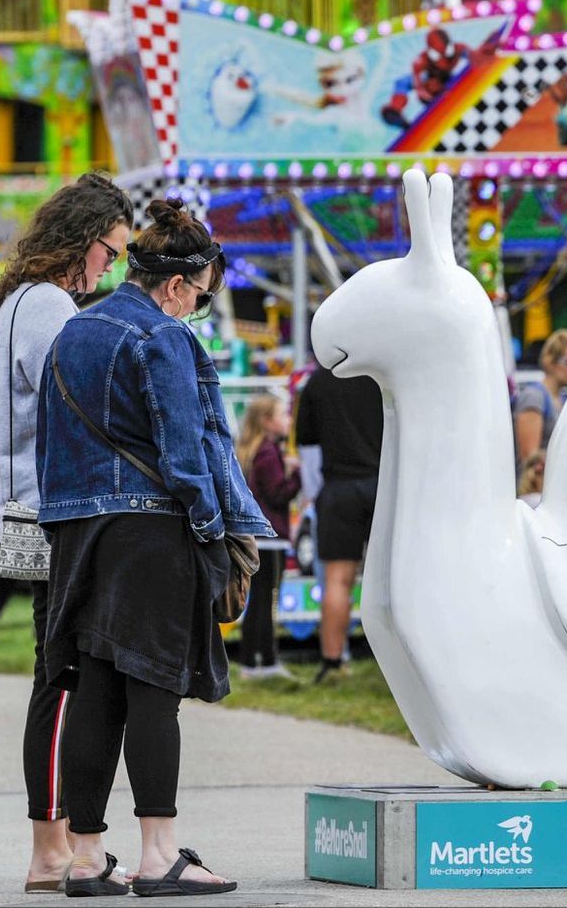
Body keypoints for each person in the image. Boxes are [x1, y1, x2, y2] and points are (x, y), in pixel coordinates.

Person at [39, 198, 268, 896]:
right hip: (149, 532)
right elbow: (184, 450)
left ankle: (84, 858)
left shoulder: (72, 332)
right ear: (176, 284)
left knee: (93, 689)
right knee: (153, 692)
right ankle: (160, 853)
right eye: (198, 297)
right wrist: (210, 526)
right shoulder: (162, 337)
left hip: (77, 532)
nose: (194, 309)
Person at [0, 170, 131, 892]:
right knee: (63, 677)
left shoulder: (20, 299)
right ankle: (53, 845)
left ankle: (63, 839)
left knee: (61, 672)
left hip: (28, 506)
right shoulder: (47, 306)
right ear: (83, 239)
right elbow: (73, 397)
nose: (113, 265)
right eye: (111, 250)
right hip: (55, 510)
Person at [294, 356, 384, 685]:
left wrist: (314, 495)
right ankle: (398, 665)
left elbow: (308, 447)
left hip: (338, 489)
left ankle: (332, 663)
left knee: (337, 581)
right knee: (391, 580)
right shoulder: (380, 376)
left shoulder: (317, 382)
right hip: (382, 485)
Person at [236, 393, 301, 680]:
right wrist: (297, 476)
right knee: (267, 601)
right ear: (267, 421)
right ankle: (263, 660)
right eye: (282, 414)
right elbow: (278, 493)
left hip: (258, 536)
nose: (288, 419)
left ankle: (255, 660)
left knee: (258, 601)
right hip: (270, 537)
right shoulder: (268, 453)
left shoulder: (253, 452)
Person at [514, 329, 567, 470]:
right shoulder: (534, 397)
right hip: (536, 488)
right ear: (550, 361)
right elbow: (529, 459)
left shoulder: (565, 400)